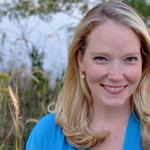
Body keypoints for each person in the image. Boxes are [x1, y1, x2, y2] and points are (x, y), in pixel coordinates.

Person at [26, 0, 150, 149]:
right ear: (80, 60)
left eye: (130, 59)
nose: (116, 76)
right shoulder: (47, 134)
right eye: (101, 59)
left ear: (144, 62)